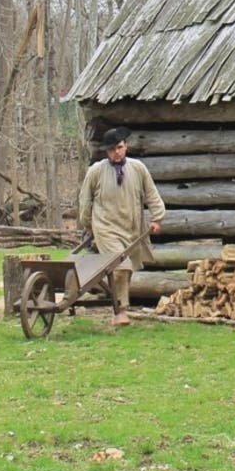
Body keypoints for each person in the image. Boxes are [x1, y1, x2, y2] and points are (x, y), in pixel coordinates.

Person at [77, 127, 165, 326]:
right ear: (106, 152)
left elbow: (152, 194)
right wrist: (88, 225)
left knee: (126, 268)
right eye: (111, 150)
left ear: (126, 146)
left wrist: (157, 218)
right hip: (105, 227)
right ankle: (121, 312)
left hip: (131, 227)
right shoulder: (96, 171)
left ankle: (117, 305)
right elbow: (85, 201)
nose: (116, 152)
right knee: (121, 266)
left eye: (119, 147)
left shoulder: (138, 168)